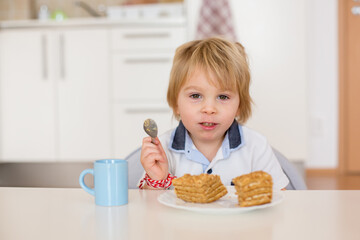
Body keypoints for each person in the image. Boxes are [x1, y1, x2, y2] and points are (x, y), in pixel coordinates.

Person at [138, 37, 289, 190]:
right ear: (176, 103)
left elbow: (279, 199)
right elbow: (151, 211)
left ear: (239, 105)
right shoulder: (163, 149)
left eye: (223, 97)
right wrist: (157, 179)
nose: (209, 108)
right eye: (195, 96)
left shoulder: (256, 146)